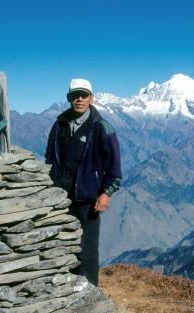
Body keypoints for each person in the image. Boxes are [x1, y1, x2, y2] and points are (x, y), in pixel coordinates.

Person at [45, 78, 121, 287]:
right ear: (69, 99)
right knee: (62, 243)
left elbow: (114, 167)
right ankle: (66, 288)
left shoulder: (102, 127)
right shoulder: (60, 124)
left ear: (91, 98)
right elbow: (50, 157)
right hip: (60, 198)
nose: (79, 99)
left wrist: (106, 193)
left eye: (83, 95)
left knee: (87, 248)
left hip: (88, 198)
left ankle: (88, 293)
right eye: (74, 95)